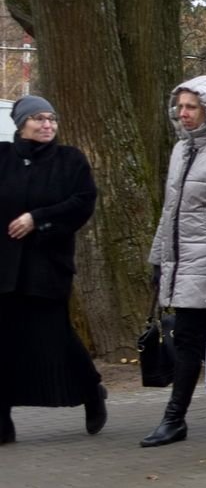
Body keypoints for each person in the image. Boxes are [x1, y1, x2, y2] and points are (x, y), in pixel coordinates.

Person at [0, 95, 105, 446]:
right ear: (21, 123)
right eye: (39, 119)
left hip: (47, 265)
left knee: (55, 337)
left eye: (52, 119)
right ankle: (2, 420)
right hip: (5, 268)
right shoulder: (3, 158)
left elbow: (81, 202)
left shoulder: (69, 161)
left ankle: (90, 390)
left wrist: (38, 220)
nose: (47, 125)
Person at [140, 77, 206, 448]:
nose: (183, 113)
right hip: (181, 261)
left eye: (192, 107)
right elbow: (171, 211)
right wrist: (157, 258)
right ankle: (174, 418)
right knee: (187, 340)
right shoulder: (180, 150)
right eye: (180, 106)